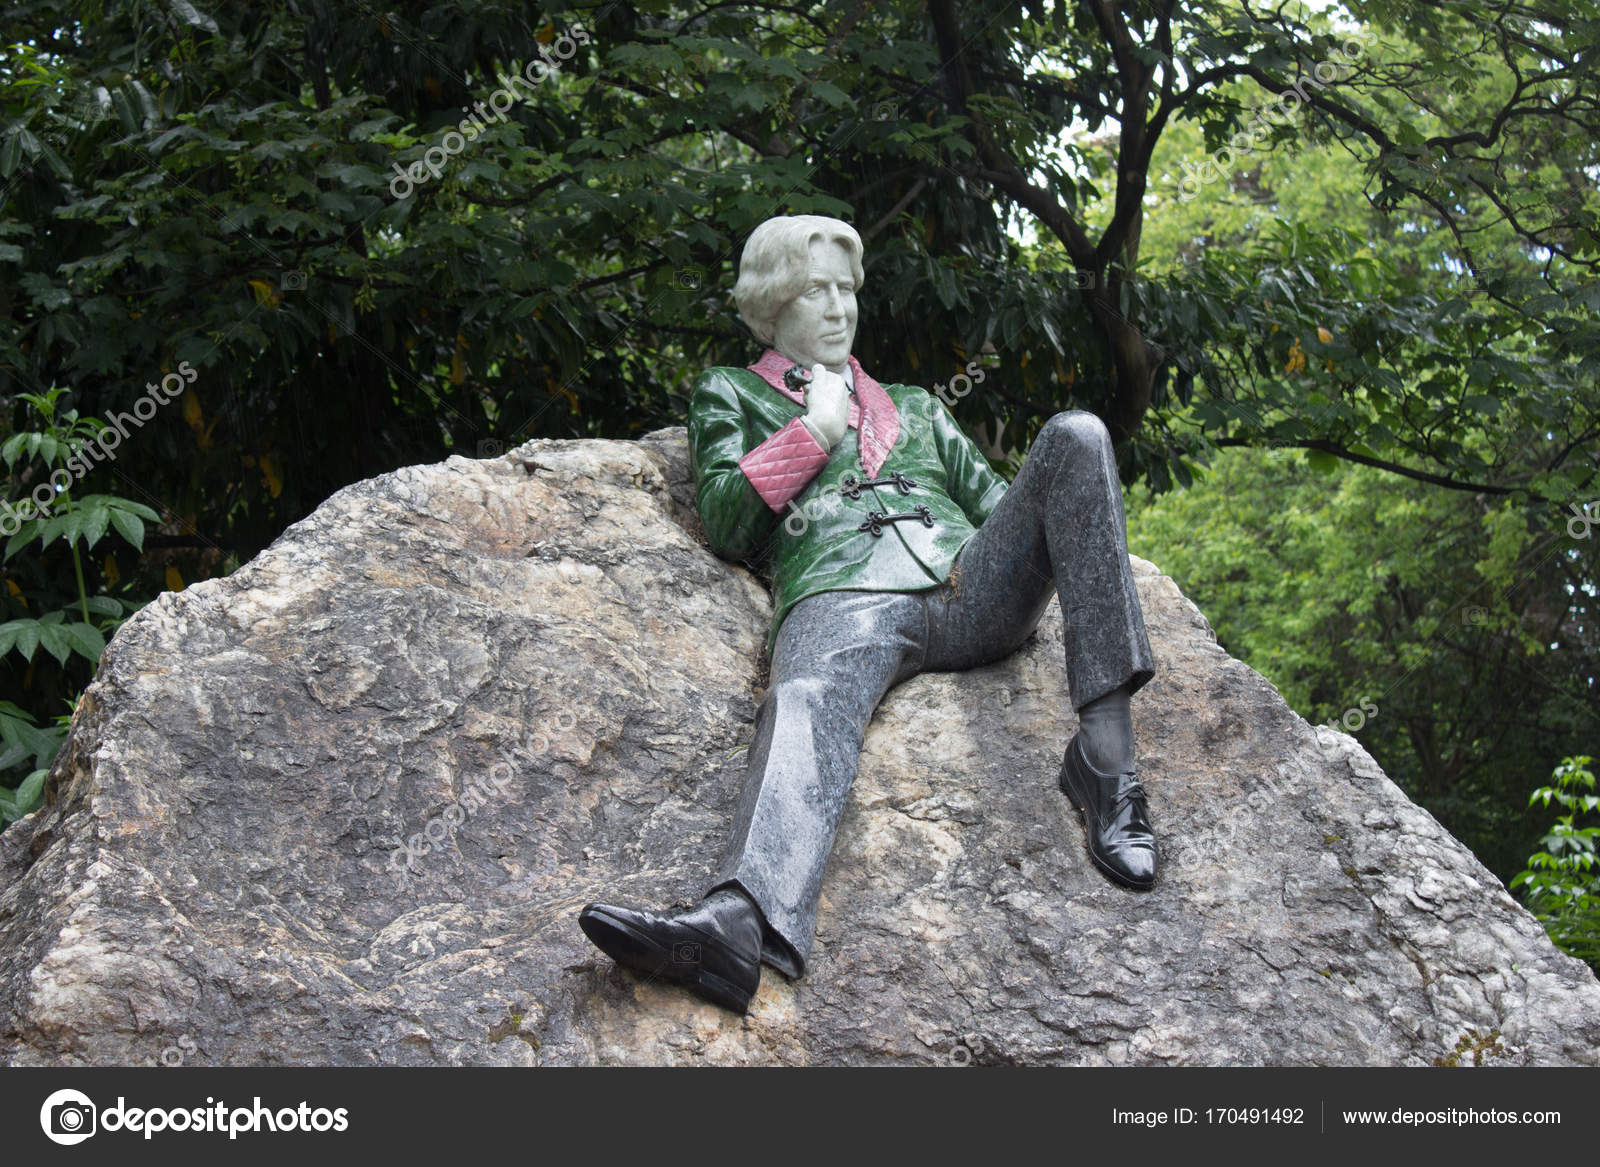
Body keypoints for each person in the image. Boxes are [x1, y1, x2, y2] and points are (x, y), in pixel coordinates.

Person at [579, 214, 1157, 1013]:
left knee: (1080, 434)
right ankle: (740, 920)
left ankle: (1106, 765)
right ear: (772, 304)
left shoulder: (915, 405)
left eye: (846, 289)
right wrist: (813, 432)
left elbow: (1012, 510)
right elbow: (724, 520)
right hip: (842, 595)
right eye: (816, 289)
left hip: (966, 583)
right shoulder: (733, 392)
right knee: (808, 698)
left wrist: (1083, 529)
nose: (839, 307)